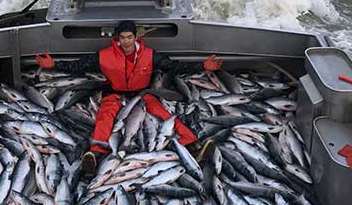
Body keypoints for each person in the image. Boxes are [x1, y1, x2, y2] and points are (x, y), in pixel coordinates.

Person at [36, 20, 217, 177]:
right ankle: (95, 154)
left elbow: (174, 66)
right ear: (117, 38)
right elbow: (78, 66)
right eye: (122, 37)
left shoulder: (150, 55)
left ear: (136, 37)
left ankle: (193, 145)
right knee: (105, 116)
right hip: (114, 92)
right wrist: (53, 65)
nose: (126, 41)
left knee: (163, 113)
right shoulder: (104, 55)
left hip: (142, 93)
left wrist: (202, 65)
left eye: (129, 37)